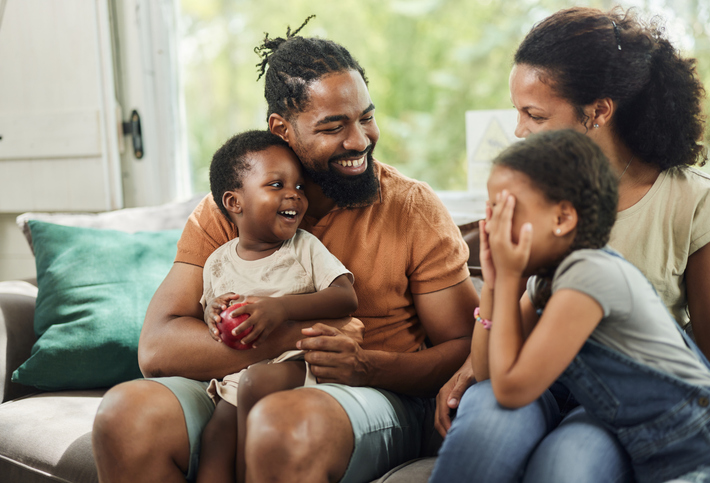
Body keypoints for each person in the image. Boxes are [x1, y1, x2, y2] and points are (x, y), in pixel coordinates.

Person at [92, 18, 479, 483]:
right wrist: (296, 334)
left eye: (366, 117)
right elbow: (158, 347)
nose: (359, 141)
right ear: (282, 129)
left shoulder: (410, 207)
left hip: (371, 393)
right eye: (334, 126)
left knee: (286, 424)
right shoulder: (229, 210)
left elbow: (464, 346)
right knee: (125, 414)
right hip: (236, 386)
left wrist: (364, 364)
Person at [432, 6, 710, 483]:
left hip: (620, 398)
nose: (520, 129)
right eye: (517, 111)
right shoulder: (535, 203)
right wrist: (501, 287)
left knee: (569, 462)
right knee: (486, 427)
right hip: (532, 375)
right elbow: (499, 366)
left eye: (535, 113)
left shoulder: (692, 201)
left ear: (599, 111)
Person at [480, 129, 710, 482]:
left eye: (507, 210)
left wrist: (505, 281)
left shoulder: (589, 275)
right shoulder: (546, 283)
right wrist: (492, 283)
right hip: (659, 452)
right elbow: (488, 371)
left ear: (562, 219)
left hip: (700, 443)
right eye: (491, 209)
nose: (492, 225)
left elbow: (511, 389)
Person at [194, 130, 359, 482]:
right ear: (234, 203)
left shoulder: (303, 248)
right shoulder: (217, 263)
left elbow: (346, 297)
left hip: (297, 365)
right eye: (276, 185)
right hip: (238, 376)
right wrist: (211, 313)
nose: (294, 196)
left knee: (257, 383)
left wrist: (281, 308)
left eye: (299, 187)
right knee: (215, 438)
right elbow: (209, 308)